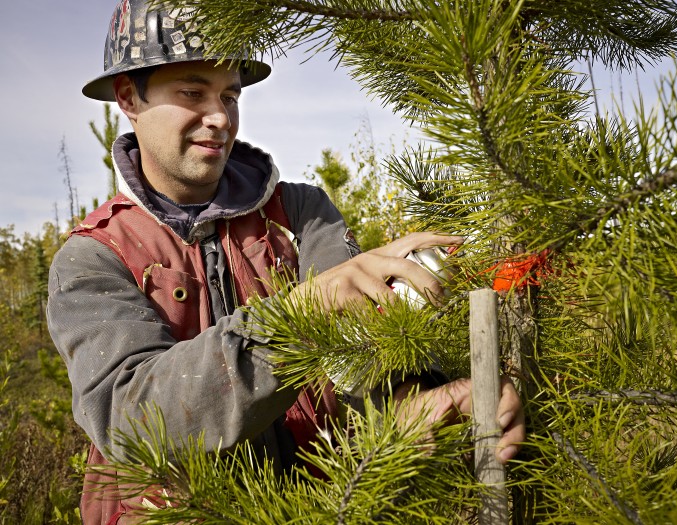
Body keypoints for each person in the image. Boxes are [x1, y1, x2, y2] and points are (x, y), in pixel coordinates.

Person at [47, 1, 525, 523]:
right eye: (192, 92)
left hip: (322, 508)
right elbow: (131, 418)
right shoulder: (93, 257)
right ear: (128, 99)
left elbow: (361, 370)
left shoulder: (300, 212)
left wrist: (427, 399)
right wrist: (307, 308)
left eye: (229, 95)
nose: (219, 117)